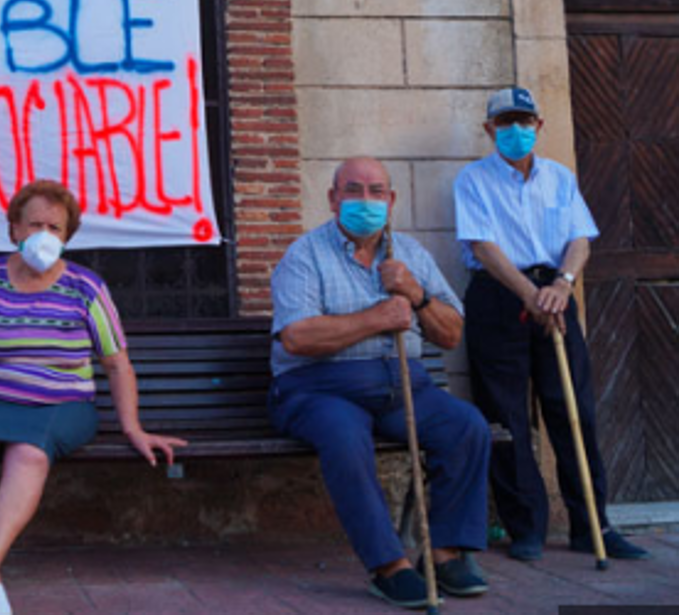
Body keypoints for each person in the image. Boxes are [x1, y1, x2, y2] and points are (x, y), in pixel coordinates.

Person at [0, 179, 187, 615]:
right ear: (14, 229)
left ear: (67, 236)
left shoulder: (86, 288)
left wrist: (133, 427)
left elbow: (116, 363)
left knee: (30, 454)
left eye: (55, 228)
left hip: (59, 404)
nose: (44, 236)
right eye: (35, 225)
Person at [269, 156, 490, 609]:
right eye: (353, 190)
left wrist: (417, 294)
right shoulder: (304, 255)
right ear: (333, 200)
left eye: (375, 192)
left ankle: (444, 553)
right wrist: (376, 318)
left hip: (402, 386)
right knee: (344, 435)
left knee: (467, 426)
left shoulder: (412, 255)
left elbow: (450, 333)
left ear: (391, 200)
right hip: (318, 389)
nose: (364, 201)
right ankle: (389, 566)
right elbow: (297, 337)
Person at [454, 86, 648, 562]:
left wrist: (561, 285)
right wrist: (528, 294)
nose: (516, 131)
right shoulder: (472, 180)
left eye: (524, 122)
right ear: (489, 130)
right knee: (506, 415)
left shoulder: (560, 178)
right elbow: (482, 247)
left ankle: (592, 525)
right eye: (505, 123)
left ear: (539, 127)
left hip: (554, 294)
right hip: (500, 296)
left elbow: (580, 239)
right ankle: (526, 528)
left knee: (573, 409)